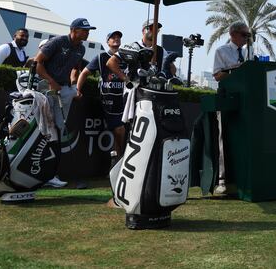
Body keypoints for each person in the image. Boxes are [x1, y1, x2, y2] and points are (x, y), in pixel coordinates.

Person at [34, 18, 96, 187]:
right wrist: (51, 81)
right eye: (84, 30)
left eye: (88, 30)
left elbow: (75, 68)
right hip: (46, 88)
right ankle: (40, 173)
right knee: (46, 128)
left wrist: (73, 87)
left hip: (64, 90)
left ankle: (52, 174)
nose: (87, 32)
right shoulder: (58, 42)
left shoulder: (81, 49)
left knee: (59, 129)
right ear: (74, 30)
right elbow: (37, 63)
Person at [211, 21, 256, 194]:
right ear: (233, 34)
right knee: (224, 138)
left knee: (243, 138)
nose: (247, 38)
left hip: (246, 100)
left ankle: (243, 177)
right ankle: (223, 180)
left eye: (248, 36)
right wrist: (236, 70)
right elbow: (217, 75)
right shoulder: (221, 51)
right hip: (227, 98)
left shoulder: (248, 53)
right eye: (245, 35)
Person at [76, 31, 128, 162]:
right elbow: (84, 73)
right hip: (108, 101)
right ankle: (120, 157)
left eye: (118, 38)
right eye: (113, 38)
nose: (116, 39)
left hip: (125, 101)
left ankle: (116, 160)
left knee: (120, 131)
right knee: (119, 129)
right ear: (108, 42)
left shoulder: (127, 58)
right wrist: (77, 89)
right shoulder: (101, 57)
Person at [107, 19, 176, 78]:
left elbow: (173, 69)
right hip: (134, 89)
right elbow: (111, 62)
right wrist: (126, 79)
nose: (155, 31)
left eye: (157, 29)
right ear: (143, 31)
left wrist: (163, 77)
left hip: (152, 90)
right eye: (152, 28)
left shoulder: (161, 50)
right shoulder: (132, 46)